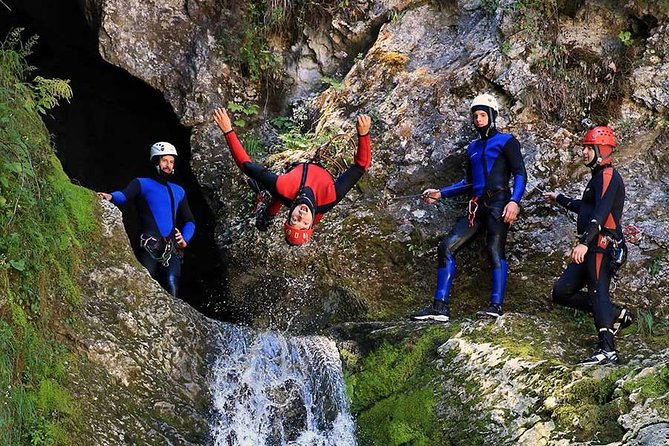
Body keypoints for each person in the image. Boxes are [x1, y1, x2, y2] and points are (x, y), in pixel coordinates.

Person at [410, 93, 527, 322]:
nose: (479, 119)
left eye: (483, 115)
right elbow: (469, 183)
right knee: (446, 247)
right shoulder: (472, 148)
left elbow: (520, 173)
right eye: (475, 115)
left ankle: (496, 306)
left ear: (492, 116)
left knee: (495, 249)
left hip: (498, 204)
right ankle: (440, 308)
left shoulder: (506, 141)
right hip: (476, 208)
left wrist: (515, 201)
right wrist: (440, 193)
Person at [213, 107, 371, 246]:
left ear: (289, 216)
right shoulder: (329, 198)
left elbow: (246, 166)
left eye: (295, 220)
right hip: (317, 192)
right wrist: (364, 134)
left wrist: (228, 130)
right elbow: (361, 166)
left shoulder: (284, 187)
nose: (301, 216)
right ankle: (270, 212)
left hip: (292, 181)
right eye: (304, 223)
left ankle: (267, 212)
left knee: (278, 194)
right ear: (310, 223)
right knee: (283, 196)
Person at [543, 124, 632, 365]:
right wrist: (559, 199)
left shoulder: (608, 176)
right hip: (592, 244)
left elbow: (601, 213)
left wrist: (583, 242)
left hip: (600, 244)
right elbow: (587, 208)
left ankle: (607, 350)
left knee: (598, 290)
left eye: (587, 147)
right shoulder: (598, 177)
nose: (583, 152)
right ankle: (613, 313)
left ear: (600, 149)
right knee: (562, 291)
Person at [97, 142, 195, 297]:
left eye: (171, 162)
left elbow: (190, 220)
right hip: (149, 245)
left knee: (172, 285)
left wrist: (185, 239)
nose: (168, 165)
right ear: (155, 161)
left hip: (172, 248)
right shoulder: (141, 183)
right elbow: (124, 196)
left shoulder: (179, 190)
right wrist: (110, 196)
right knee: (144, 286)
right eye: (164, 161)